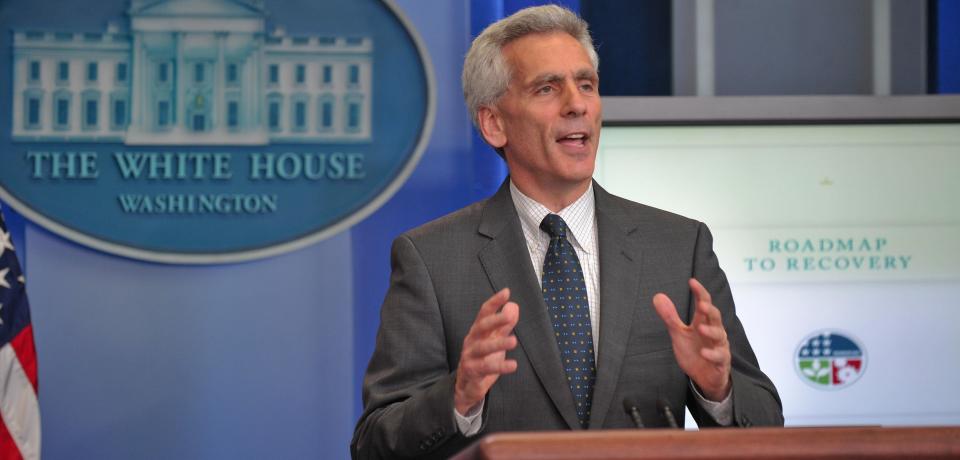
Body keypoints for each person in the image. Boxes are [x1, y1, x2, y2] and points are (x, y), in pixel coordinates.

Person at [351, 5, 783, 459]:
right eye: (547, 88)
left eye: (587, 85)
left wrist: (718, 389)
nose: (576, 104)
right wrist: (458, 398)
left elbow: (767, 419)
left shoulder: (678, 247)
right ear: (494, 123)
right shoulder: (433, 259)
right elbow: (374, 444)